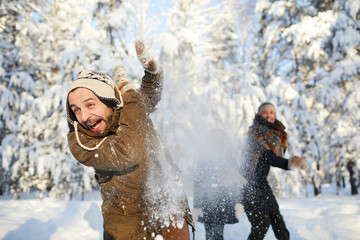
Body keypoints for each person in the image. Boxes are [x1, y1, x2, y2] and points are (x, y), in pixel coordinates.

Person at [66, 41, 194, 239]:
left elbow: (148, 96)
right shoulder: (81, 141)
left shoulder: (130, 109)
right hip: (126, 221)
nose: (83, 117)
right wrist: (129, 95)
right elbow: (127, 153)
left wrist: (153, 73)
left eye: (90, 105)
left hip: (166, 202)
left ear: (109, 100)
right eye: (76, 110)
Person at [240, 102, 307, 240]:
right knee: (261, 225)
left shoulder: (273, 134)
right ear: (259, 115)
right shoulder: (255, 133)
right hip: (248, 185)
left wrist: (291, 162)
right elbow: (266, 156)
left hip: (261, 184)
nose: (269, 115)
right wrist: (288, 163)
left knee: (278, 222)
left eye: (272, 113)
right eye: (265, 112)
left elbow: (274, 155)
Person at [193, 128, 245, 240]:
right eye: (215, 137)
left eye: (220, 137)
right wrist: (196, 206)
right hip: (208, 200)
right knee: (210, 232)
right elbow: (198, 180)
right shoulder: (205, 157)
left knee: (217, 232)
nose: (218, 140)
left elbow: (235, 179)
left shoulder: (229, 155)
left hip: (223, 200)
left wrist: (238, 202)